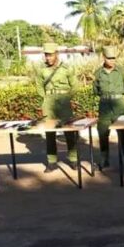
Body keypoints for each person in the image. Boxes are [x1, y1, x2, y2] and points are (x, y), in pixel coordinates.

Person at [36, 42, 78, 173]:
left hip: (64, 102)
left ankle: (73, 159)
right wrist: (46, 98)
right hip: (49, 103)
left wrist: (67, 97)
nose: (47, 58)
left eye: (50, 55)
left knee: (69, 131)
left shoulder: (66, 68)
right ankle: (52, 162)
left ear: (56, 54)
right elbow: (39, 86)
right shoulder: (41, 69)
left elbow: (75, 85)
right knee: (50, 133)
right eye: (46, 55)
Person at [93, 46, 124, 170]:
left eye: (114, 58)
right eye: (109, 58)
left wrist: (117, 95)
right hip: (104, 107)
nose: (112, 61)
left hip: (119, 105)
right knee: (103, 134)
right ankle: (104, 160)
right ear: (104, 58)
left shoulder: (122, 71)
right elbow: (96, 90)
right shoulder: (98, 73)